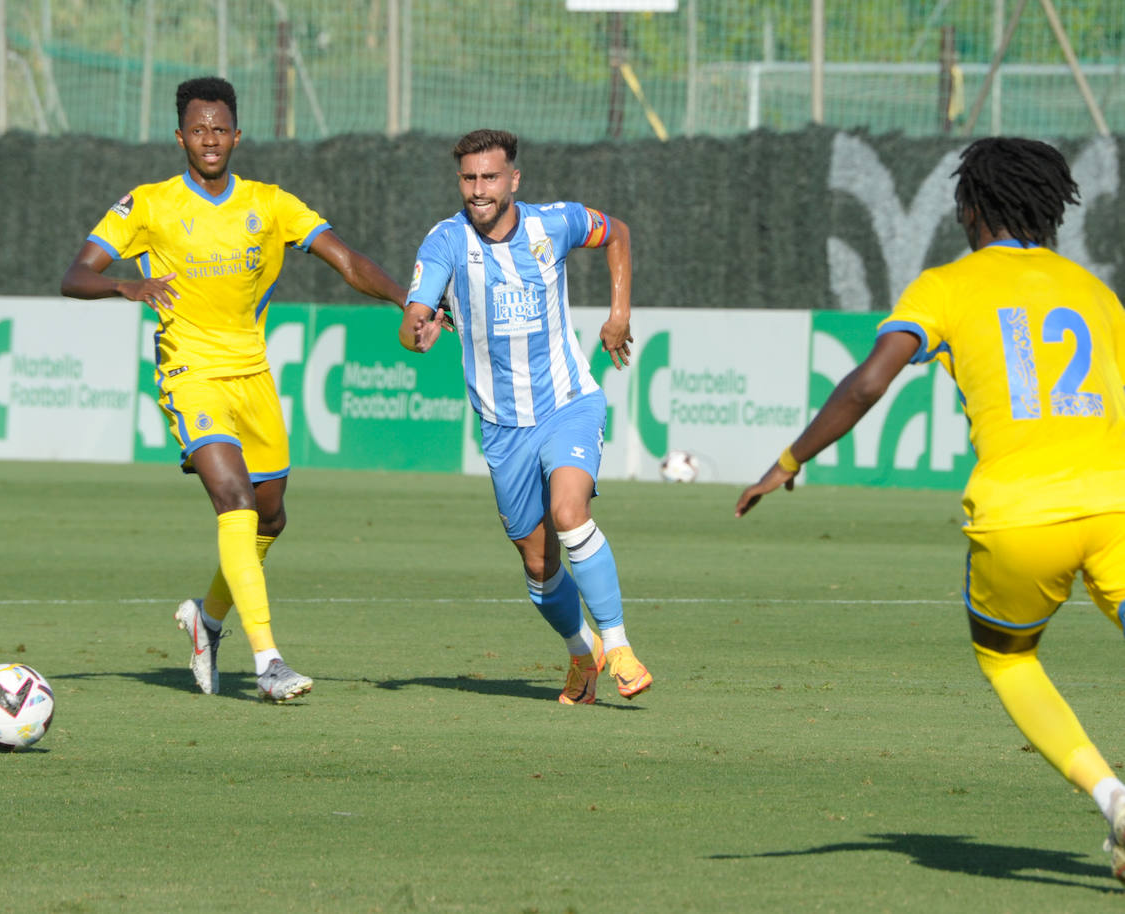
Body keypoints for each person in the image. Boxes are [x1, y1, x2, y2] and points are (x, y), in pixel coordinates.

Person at [735, 136, 1125, 882]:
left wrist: (787, 462)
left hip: (1020, 518)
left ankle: (1113, 799)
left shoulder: (945, 287)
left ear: (969, 207)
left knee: (1007, 658)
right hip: (1117, 505)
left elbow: (866, 385)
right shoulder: (1095, 292)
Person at [60, 76, 408, 703]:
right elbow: (74, 274)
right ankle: (268, 661)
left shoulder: (270, 204)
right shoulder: (147, 204)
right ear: (180, 137)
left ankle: (207, 618)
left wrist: (407, 302)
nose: (210, 140)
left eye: (220, 129)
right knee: (235, 500)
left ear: (237, 135)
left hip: (252, 374)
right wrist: (125, 286)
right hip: (189, 374)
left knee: (269, 517)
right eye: (198, 130)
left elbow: (348, 260)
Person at [399, 128, 652, 705]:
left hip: (568, 403)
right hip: (502, 427)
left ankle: (619, 648)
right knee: (539, 568)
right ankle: (581, 654)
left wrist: (618, 313)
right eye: (469, 178)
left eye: (490, 177)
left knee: (569, 511)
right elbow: (414, 319)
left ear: (514, 179)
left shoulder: (554, 222)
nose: (479, 189)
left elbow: (618, 233)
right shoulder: (444, 241)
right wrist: (420, 328)